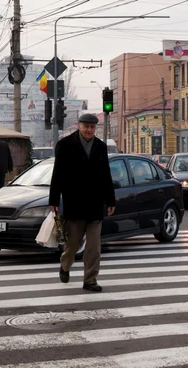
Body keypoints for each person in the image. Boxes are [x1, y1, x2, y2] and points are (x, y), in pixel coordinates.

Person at [49, 114, 116, 292]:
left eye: (92, 127)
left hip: (95, 203)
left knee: (94, 247)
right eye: (86, 126)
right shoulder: (64, 145)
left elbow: (106, 174)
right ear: (79, 126)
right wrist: (54, 199)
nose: (89, 130)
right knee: (73, 245)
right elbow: (58, 173)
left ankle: (90, 280)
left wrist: (110, 200)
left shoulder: (101, 147)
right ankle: (65, 265)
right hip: (74, 203)